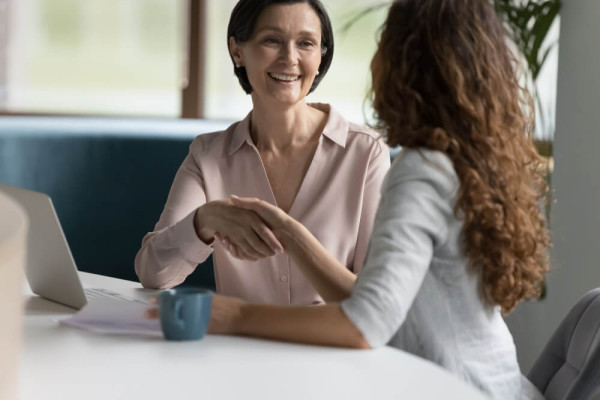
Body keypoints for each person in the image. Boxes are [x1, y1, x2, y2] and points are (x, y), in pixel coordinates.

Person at [201, 0, 552, 398]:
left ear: (406, 60)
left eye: (386, 42)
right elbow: (382, 302)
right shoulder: (464, 161)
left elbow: (366, 322)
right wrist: (290, 234)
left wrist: (235, 315)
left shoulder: (422, 171)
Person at [134, 0, 390, 305]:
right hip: (241, 350)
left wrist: (294, 239)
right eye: (272, 40)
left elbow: (375, 303)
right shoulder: (208, 156)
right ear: (237, 51)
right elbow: (153, 273)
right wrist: (204, 220)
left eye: (306, 43)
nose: (290, 58)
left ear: (321, 58)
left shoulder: (365, 153)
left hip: (333, 349)